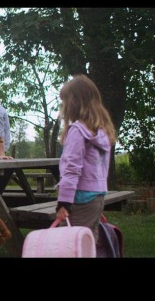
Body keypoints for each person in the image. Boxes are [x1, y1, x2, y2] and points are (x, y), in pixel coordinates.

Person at [55, 74, 116, 246]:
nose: (63, 106)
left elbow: (72, 169)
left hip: (79, 198)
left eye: (64, 101)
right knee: (88, 242)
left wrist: (64, 203)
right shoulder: (101, 131)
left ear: (74, 102)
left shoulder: (78, 130)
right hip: (97, 196)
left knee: (71, 245)